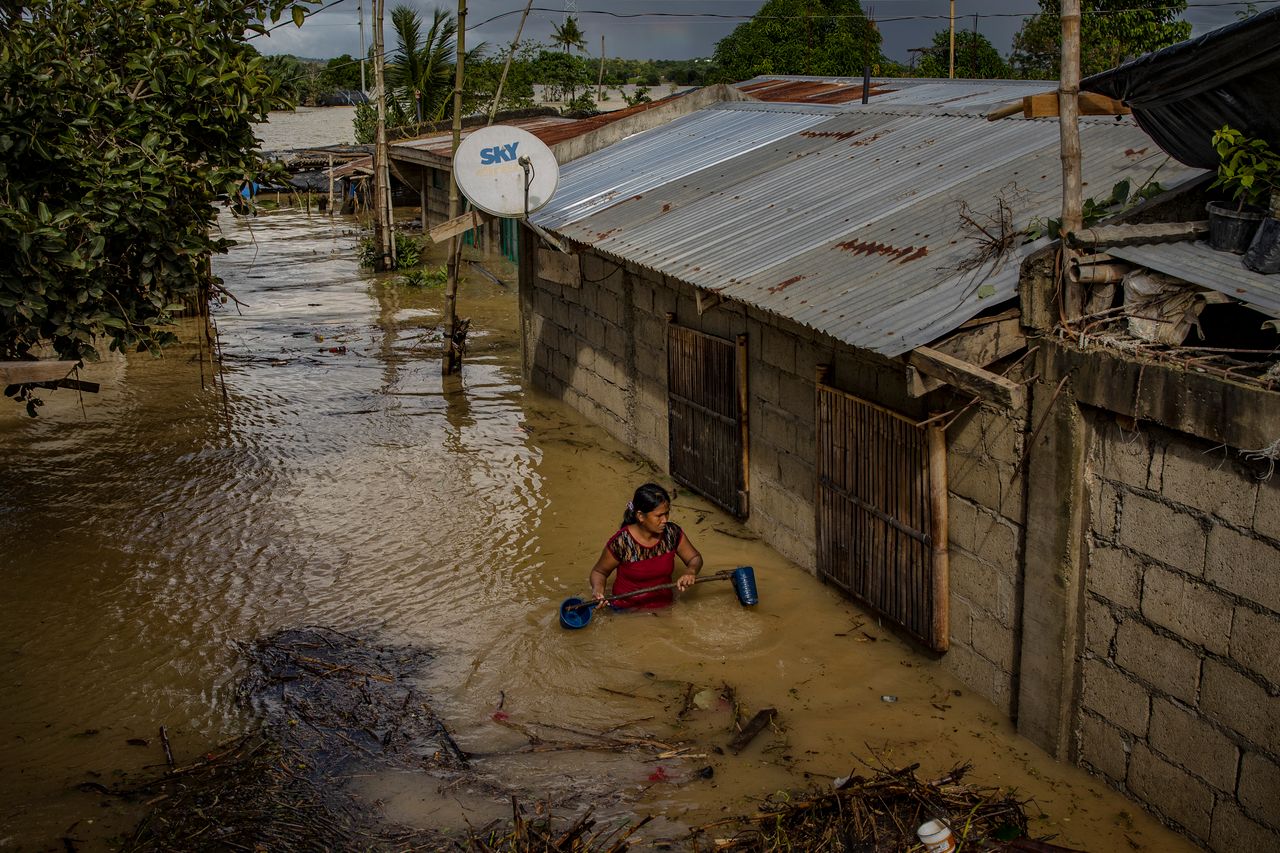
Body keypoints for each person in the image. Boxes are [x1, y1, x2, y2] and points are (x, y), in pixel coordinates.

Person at [589, 483, 703, 610]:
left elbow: (695, 558)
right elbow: (599, 572)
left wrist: (690, 571)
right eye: (659, 516)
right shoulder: (622, 542)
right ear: (640, 516)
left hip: (664, 608)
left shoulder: (672, 534)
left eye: (666, 513)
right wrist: (598, 592)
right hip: (626, 611)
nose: (665, 520)